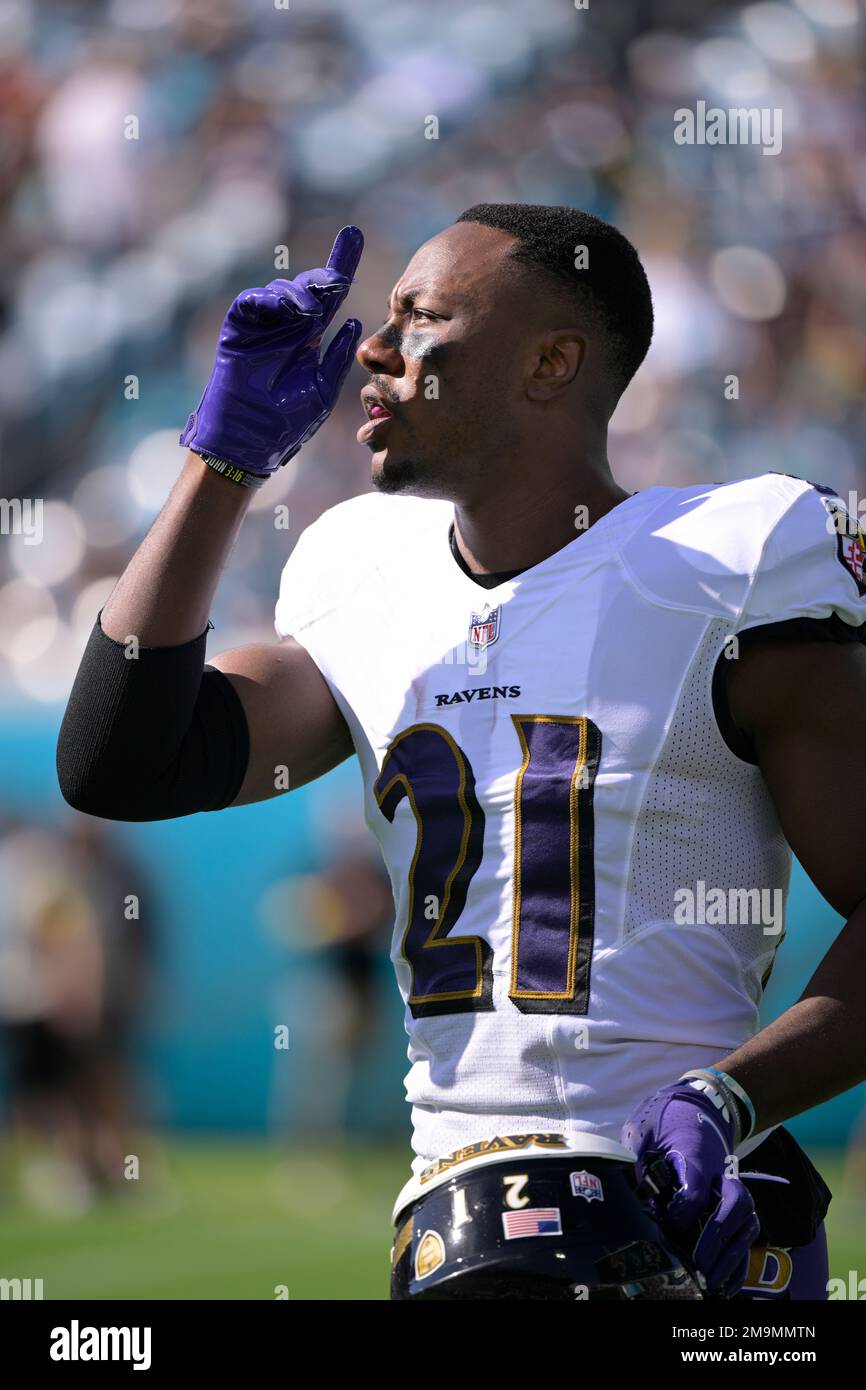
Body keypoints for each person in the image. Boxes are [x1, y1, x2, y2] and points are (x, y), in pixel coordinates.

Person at [57, 205, 866, 1299]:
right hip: (449, 1220)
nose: (374, 350)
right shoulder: (361, 575)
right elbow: (120, 762)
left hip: (683, 1214)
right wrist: (220, 461)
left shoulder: (722, 566)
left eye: (422, 317)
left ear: (549, 363)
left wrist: (726, 1099)